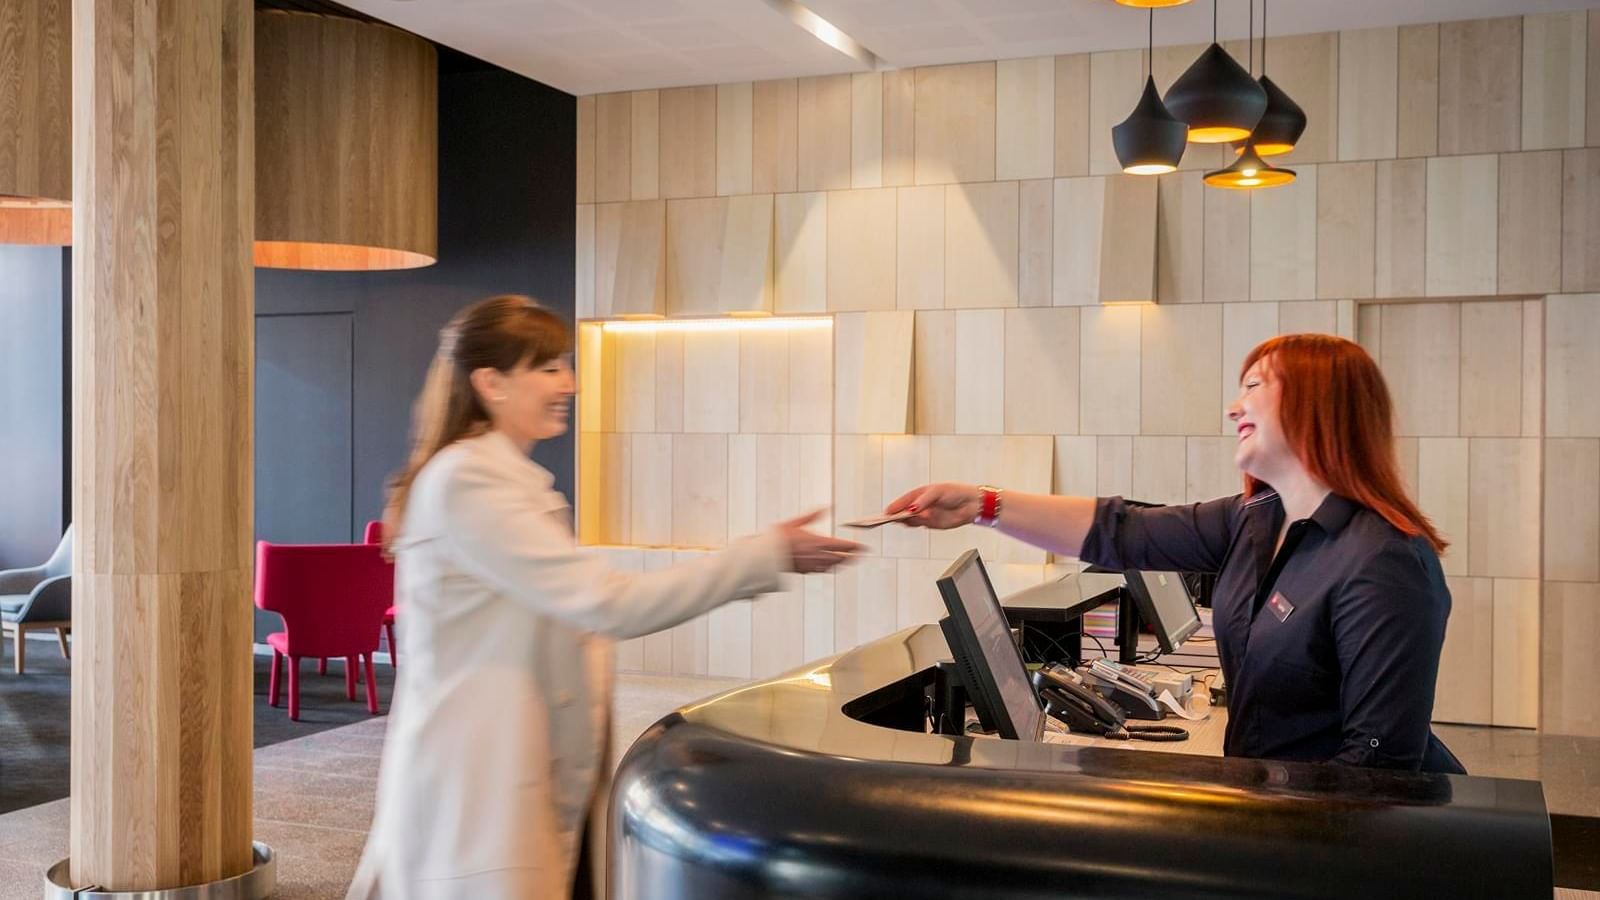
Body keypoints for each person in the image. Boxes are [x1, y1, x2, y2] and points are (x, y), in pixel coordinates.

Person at [347, 295, 863, 900]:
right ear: (491, 383)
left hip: (518, 770)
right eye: (548, 368)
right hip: (479, 784)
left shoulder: (499, 479)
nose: (569, 383)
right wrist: (764, 554)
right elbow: (608, 604)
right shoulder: (468, 480)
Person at [885, 333, 1465, 774]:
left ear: (1319, 404)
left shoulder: (1384, 562)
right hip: (1275, 815)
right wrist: (981, 504)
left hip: (1330, 847)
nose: (1234, 408)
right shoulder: (1256, 520)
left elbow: (1375, 768)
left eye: (1254, 387)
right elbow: (1122, 532)